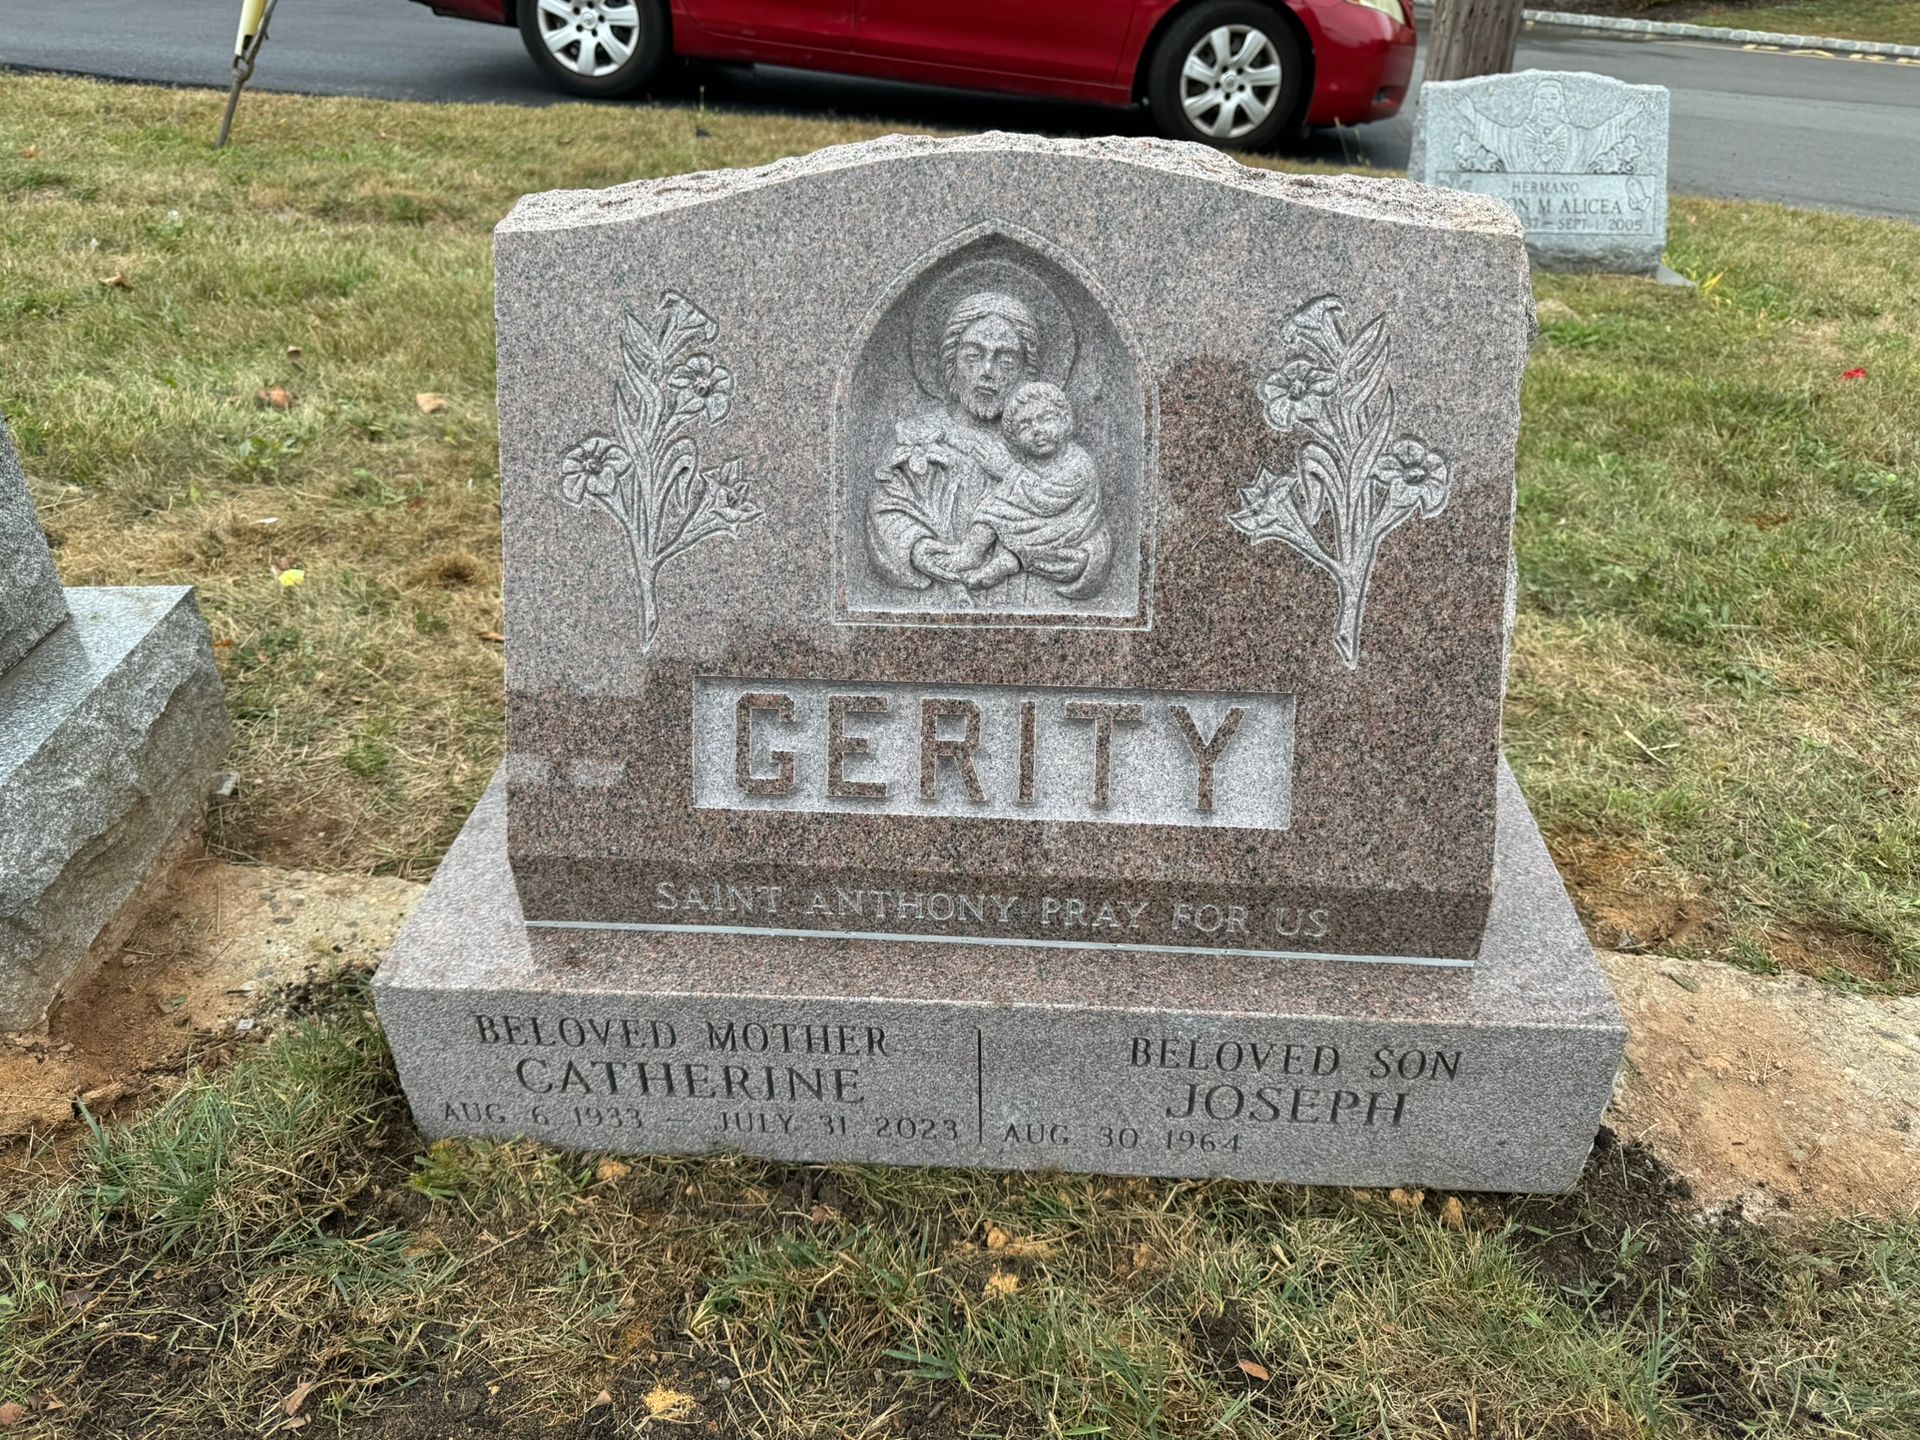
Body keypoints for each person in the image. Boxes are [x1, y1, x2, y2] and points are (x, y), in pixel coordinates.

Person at [923, 381, 1110, 598]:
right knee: (997, 502)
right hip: (1037, 524)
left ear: (1065, 420)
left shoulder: (1078, 464)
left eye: (1045, 419)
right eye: (1024, 427)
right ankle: (974, 553)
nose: (1037, 431)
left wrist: (1009, 471)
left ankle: (1003, 561)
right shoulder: (1030, 460)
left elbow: (1047, 499)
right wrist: (951, 440)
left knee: (1005, 504)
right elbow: (981, 449)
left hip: (1064, 528)